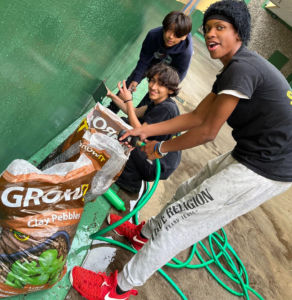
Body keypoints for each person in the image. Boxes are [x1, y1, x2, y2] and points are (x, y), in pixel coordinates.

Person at [70, 0, 292, 299]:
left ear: (239, 32)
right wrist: (143, 129)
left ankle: (118, 287)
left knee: (180, 220)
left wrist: (160, 148)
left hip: (268, 167)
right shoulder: (234, 69)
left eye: (220, 28)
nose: (211, 33)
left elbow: (207, 131)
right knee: (187, 189)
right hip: (253, 152)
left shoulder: (242, 69)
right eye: (208, 27)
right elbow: (197, 116)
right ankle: (143, 235)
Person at [107, 63, 182, 193]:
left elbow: (140, 132)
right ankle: (132, 170)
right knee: (124, 122)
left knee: (127, 135)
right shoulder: (159, 103)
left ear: (171, 90)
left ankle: (131, 180)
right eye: (153, 81)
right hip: (155, 155)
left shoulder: (166, 108)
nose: (153, 86)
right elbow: (134, 112)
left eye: (161, 84)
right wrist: (110, 95)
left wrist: (129, 101)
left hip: (158, 165)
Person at [108, 10, 193, 114]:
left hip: (168, 72)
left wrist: (164, 90)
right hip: (151, 62)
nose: (171, 36)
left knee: (153, 95)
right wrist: (137, 77)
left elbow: (178, 76)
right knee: (131, 81)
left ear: (184, 36)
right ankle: (110, 110)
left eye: (177, 35)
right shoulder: (153, 35)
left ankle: (136, 121)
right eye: (169, 30)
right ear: (164, 27)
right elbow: (144, 58)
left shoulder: (185, 53)